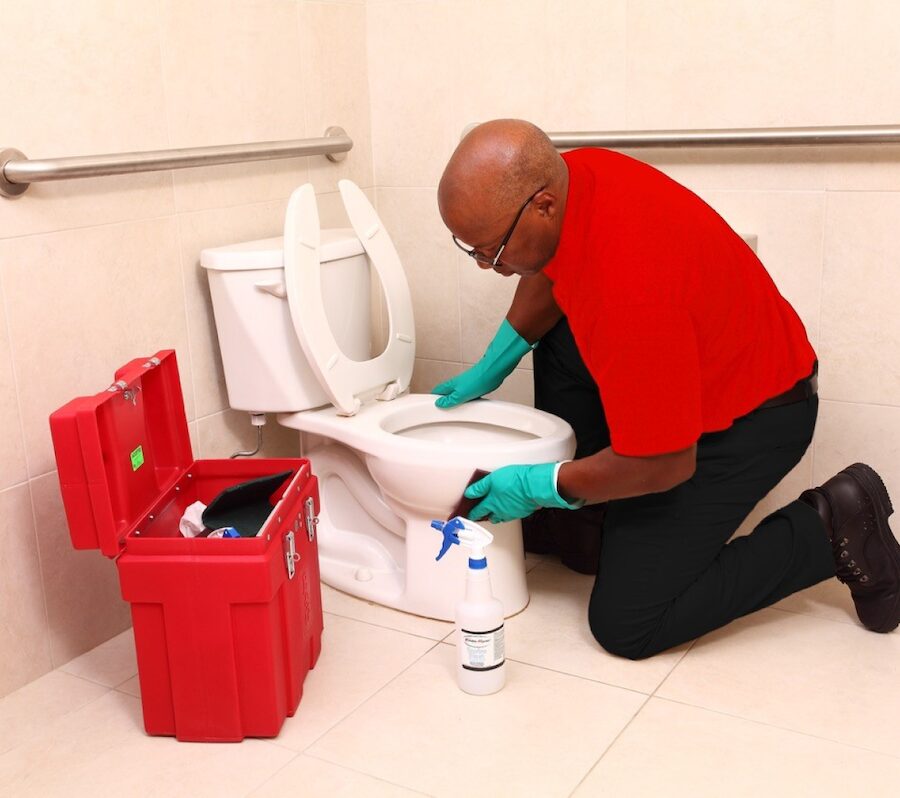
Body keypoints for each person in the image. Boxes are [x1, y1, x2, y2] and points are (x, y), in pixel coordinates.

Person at [432, 118, 900, 660]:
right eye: (475, 251)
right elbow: (546, 265)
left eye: (493, 251)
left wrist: (545, 484)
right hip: (706, 366)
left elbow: (664, 463)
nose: (491, 267)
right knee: (559, 340)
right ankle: (586, 527)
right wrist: (498, 357)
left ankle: (833, 522)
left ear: (542, 206)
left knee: (626, 623)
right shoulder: (574, 175)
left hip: (756, 419)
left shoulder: (628, 291)